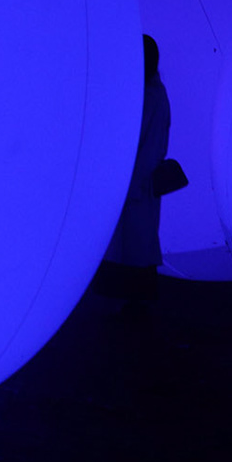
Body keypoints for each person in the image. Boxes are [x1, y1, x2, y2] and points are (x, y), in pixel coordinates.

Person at [99, 35, 170, 315]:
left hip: (136, 184)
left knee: (132, 246)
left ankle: (132, 304)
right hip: (139, 184)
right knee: (138, 245)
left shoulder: (148, 97)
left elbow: (134, 141)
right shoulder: (154, 94)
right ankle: (133, 303)